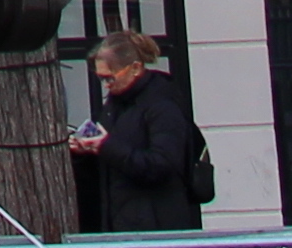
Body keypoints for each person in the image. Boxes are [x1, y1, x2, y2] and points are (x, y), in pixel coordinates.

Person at [70, 33, 197, 234]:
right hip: (120, 222)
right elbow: (105, 170)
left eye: (110, 78)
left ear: (136, 68)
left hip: (157, 226)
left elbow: (163, 165)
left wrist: (107, 147)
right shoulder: (113, 106)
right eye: (101, 79)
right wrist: (84, 153)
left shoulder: (163, 106)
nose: (106, 86)